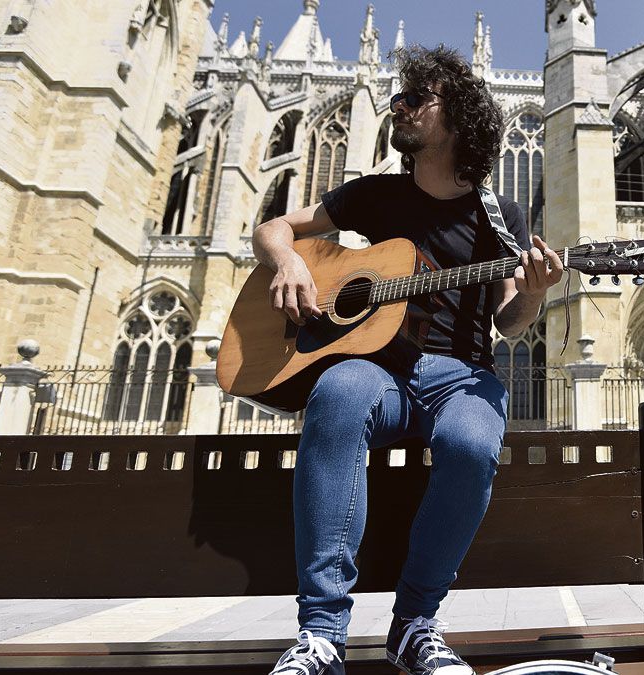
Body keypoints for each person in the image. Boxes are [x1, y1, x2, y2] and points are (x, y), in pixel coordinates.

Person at [251, 44, 565, 675]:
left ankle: (415, 623)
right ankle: (321, 634)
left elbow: (508, 322)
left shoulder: (500, 215)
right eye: (397, 97)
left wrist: (533, 295)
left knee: (471, 444)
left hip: (463, 375)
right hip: (380, 370)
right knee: (337, 393)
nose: (398, 106)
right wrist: (286, 261)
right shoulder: (375, 196)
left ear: (458, 117)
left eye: (415, 98)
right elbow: (273, 228)